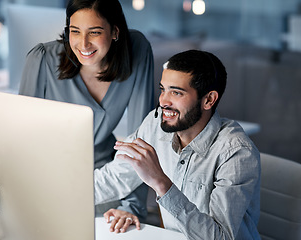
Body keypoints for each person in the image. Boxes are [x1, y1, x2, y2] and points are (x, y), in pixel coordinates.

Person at [94, 50, 261, 239]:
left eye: (176, 92)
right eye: (163, 89)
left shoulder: (237, 153)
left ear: (208, 100)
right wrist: (62, 194)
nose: (163, 101)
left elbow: (220, 236)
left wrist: (161, 183)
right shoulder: (155, 124)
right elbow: (113, 178)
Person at [19, 0, 154, 219]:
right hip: (47, 174)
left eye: (94, 32)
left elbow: (141, 139)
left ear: (115, 31)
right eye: (75, 31)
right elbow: (22, 140)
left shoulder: (137, 50)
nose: (83, 44)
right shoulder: (42, 59)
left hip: (103, 172)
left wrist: (130, 207)